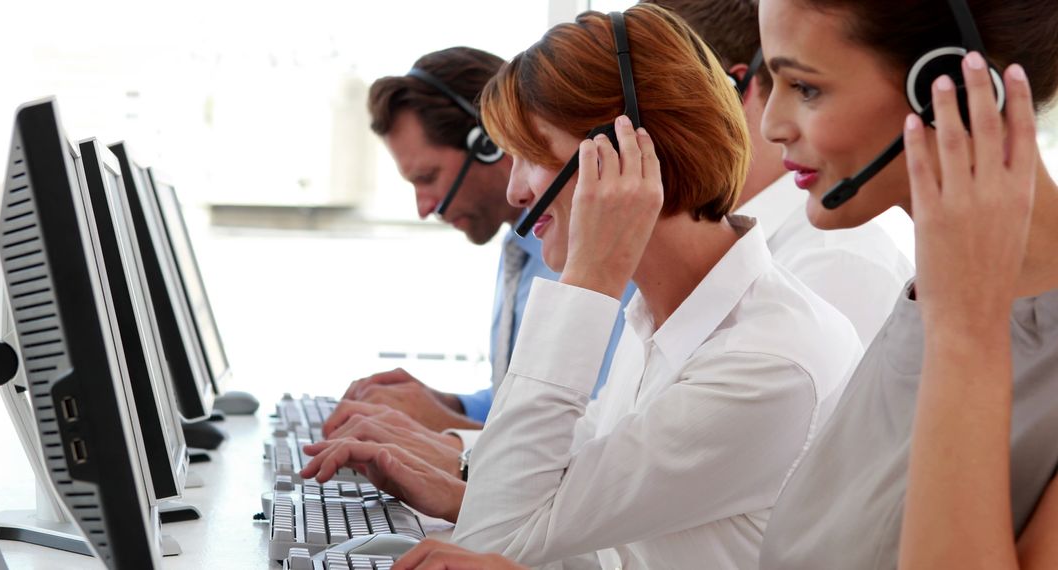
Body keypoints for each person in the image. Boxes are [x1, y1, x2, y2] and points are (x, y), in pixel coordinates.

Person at [305, 6, 862, 567]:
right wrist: (453, 483)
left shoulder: (764, 363)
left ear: (628, 152)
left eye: (532, 154)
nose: (518, 190)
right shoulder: (663, 317)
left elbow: (496, 533)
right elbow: (599, 528)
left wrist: (589, 281)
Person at [749, 0, 1058, 568]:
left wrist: (965, 334)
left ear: (956, 89)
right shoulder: (926, 302)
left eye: (805, 86)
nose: (770, 124)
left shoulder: (960, 321)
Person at [341, 47, 632, 433]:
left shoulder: (594, 253)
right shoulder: (520, 248)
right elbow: (521, 404)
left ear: (490, 144)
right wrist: (449, 405)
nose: (424, 208)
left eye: (427, 178)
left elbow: (591, 437)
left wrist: (447, 428)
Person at [642, 0, 913, 348]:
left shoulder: (836, 263)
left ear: (725, 91)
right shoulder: (680, 266)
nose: (774, 126)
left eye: (804, 87)